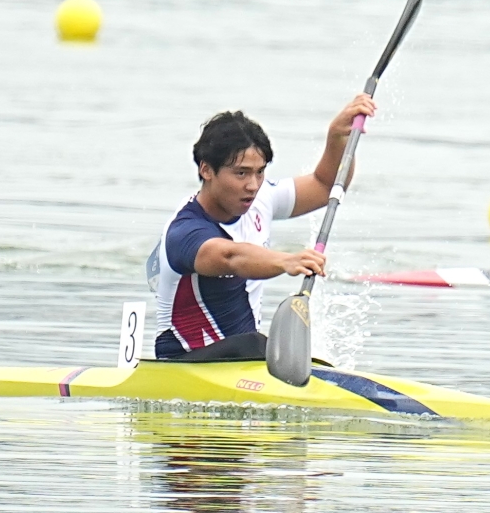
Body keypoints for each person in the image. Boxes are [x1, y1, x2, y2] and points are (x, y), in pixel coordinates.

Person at [146, 95, 375, 361]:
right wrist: (286, 260)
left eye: (260, 172)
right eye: (241, 173)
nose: (253, 185)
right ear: (206, 170)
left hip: (242, 361)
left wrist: (336, 138)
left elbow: (325, 186)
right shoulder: (185, 231)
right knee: (257, 345)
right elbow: (229, 257)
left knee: (269, 349)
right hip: (186, 362)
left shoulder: (260, 197)